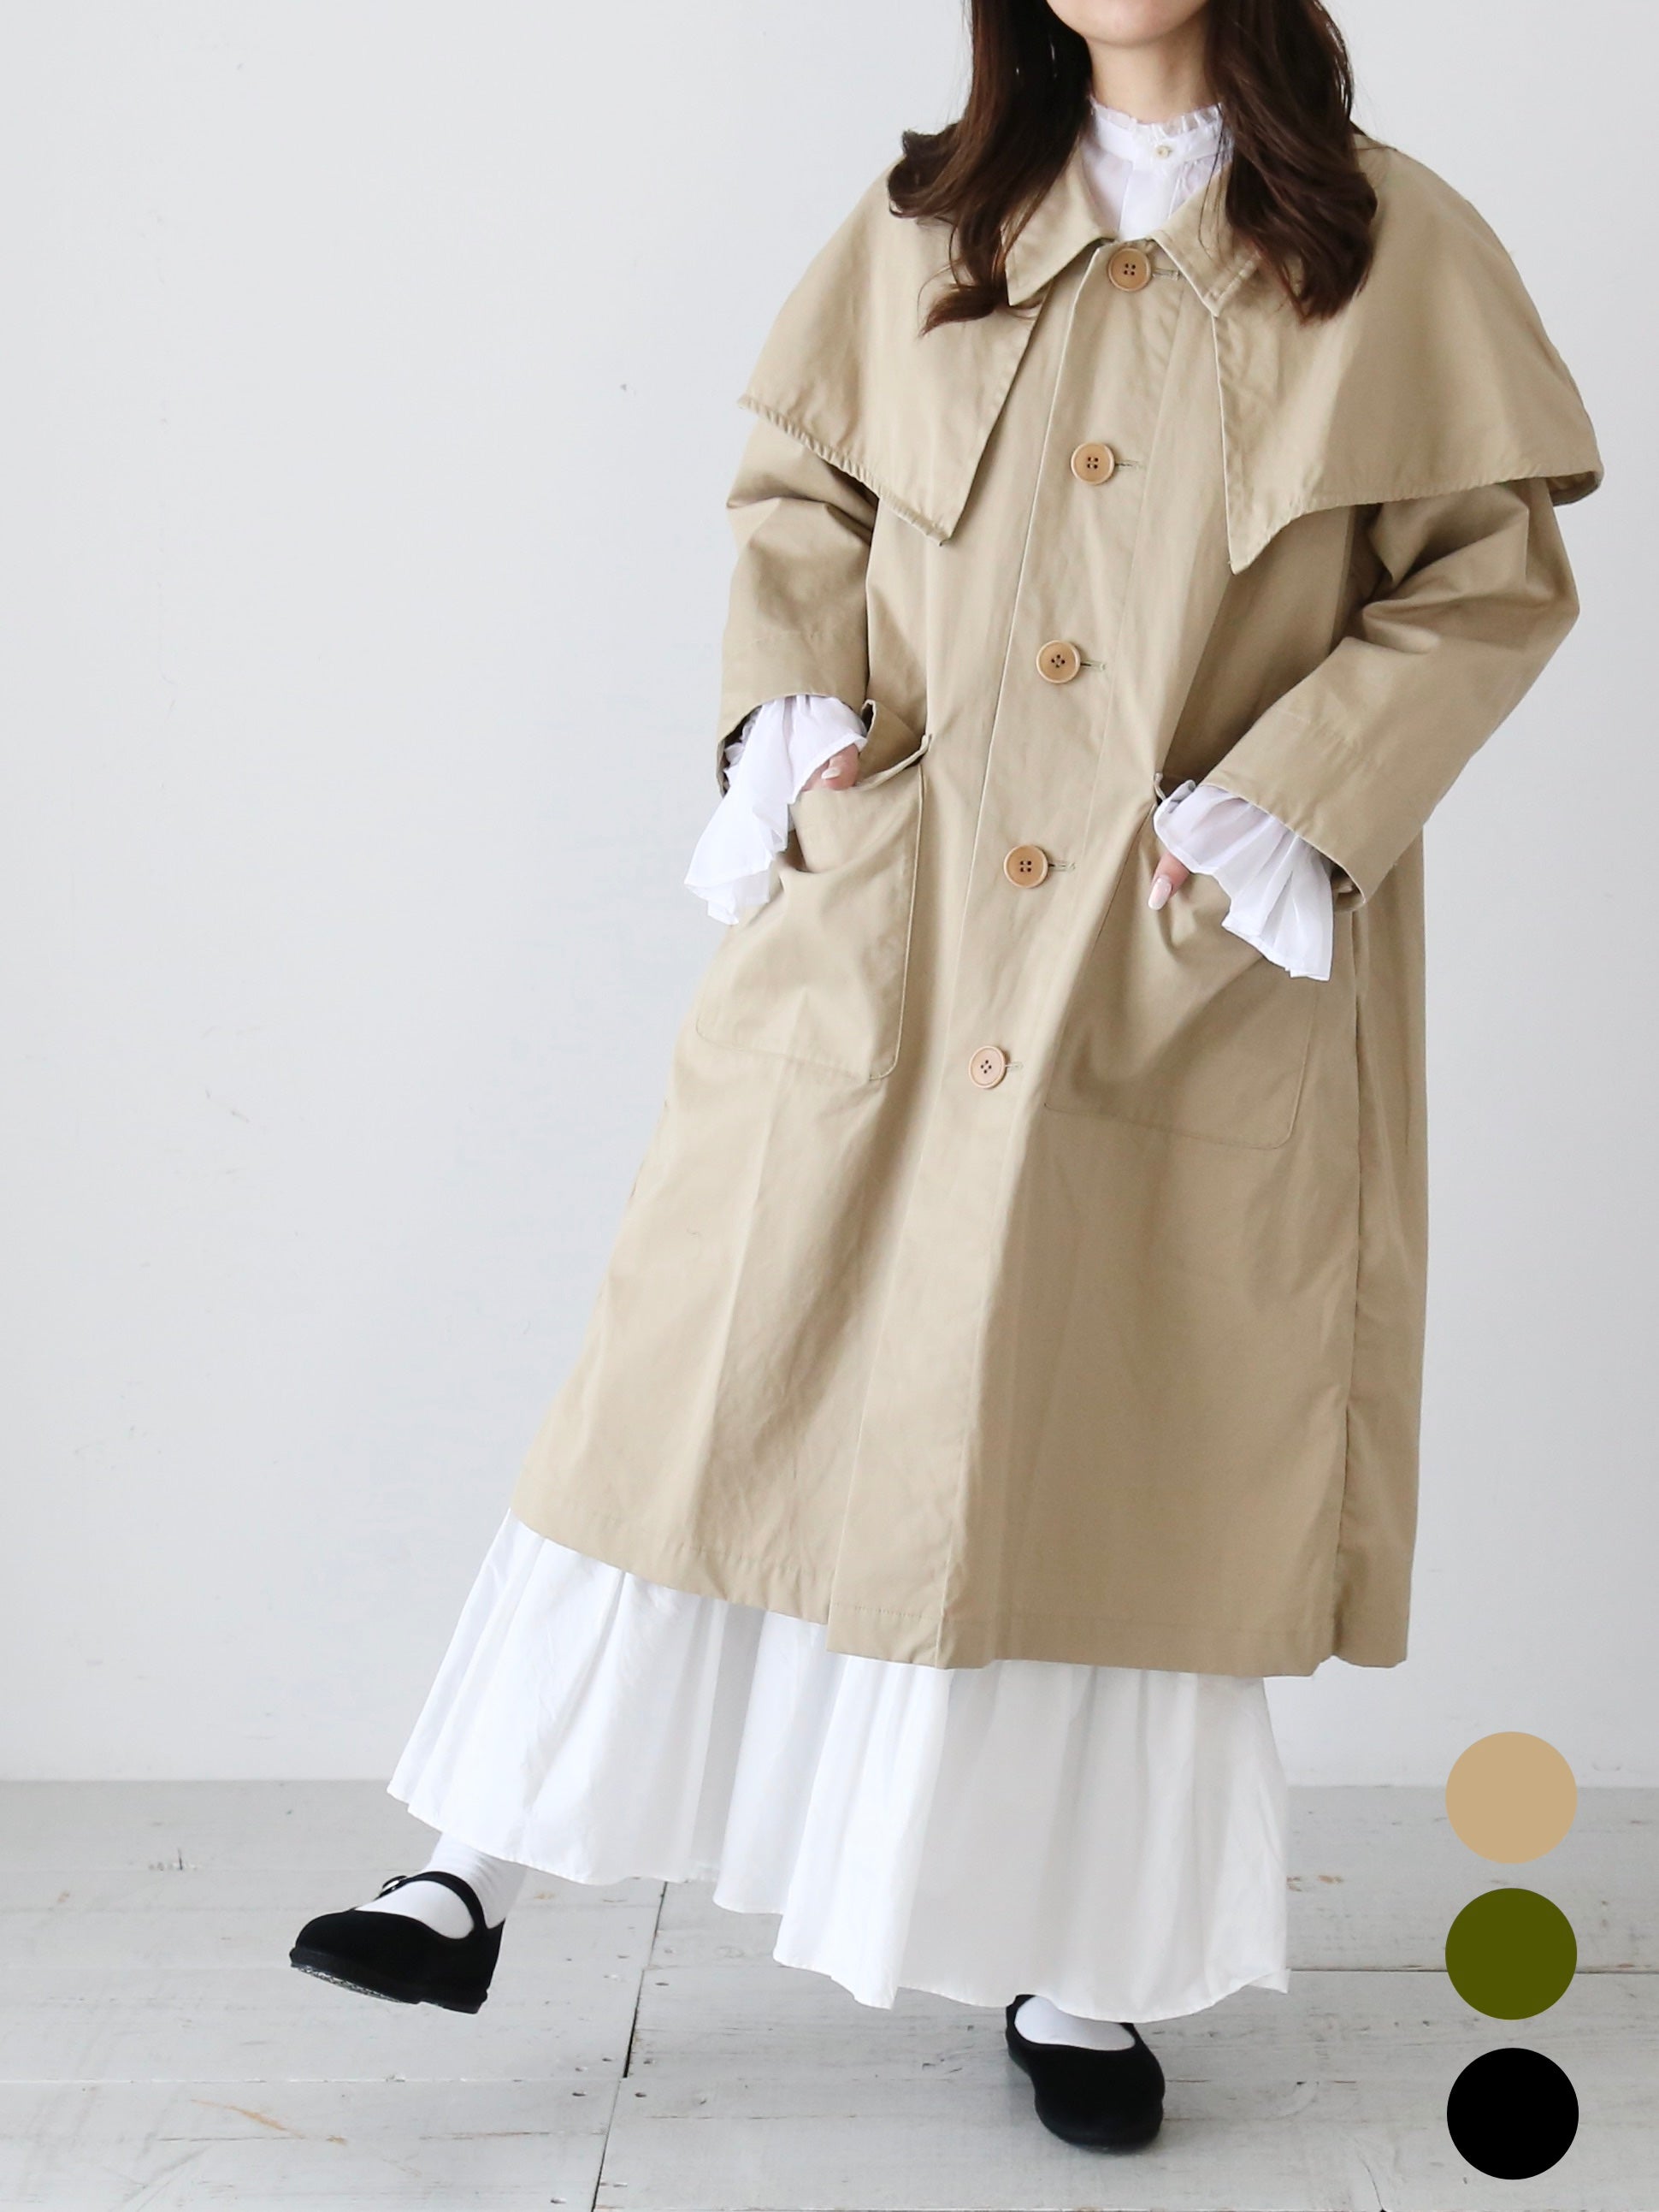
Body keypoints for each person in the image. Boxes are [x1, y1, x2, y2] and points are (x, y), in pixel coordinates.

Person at [290, 0, 1600, 2155]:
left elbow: (1486, 581)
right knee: (707, 1376)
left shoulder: (1386, 249)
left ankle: (1084, 1965)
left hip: (1166, 953)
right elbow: (795, 504)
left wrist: (1281, 807)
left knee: (1124, 1444)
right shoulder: (931, 226)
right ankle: (474, 1860)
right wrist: (797, 734)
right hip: (888, 932)